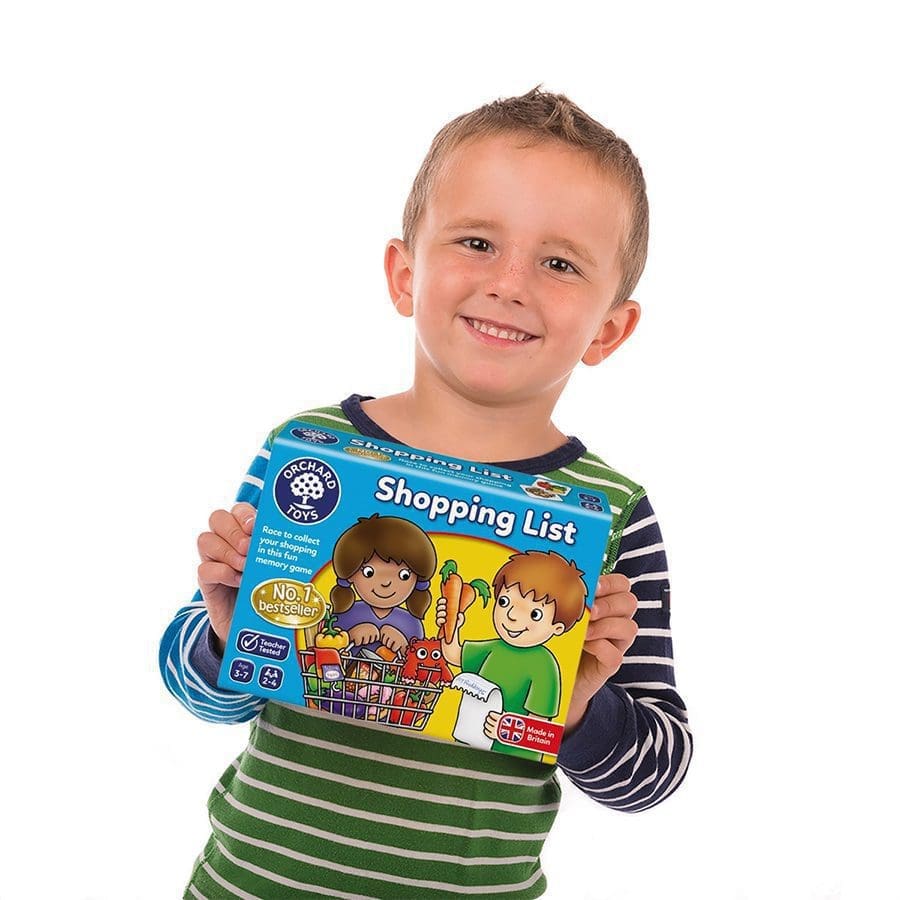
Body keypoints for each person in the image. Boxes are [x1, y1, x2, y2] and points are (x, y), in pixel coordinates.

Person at [160, 84, 693, 899]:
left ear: (609, 330)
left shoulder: (613, 513)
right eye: (477, 242)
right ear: (404, 275)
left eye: (558, 263)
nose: (509, 283)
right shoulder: (311, 453)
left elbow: (656, 773)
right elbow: (193, 687)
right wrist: (228, 635)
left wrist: (580, 709)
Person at [437, 549, 588, 762]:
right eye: (504, 602)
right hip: (468, 747)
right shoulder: (494, 648)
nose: (512, 615)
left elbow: (542, 730)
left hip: (513, 760)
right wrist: (452, 625)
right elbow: (453, 654)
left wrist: (504, 729)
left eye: (535, 614)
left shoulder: (544, 666)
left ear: (557, 628)